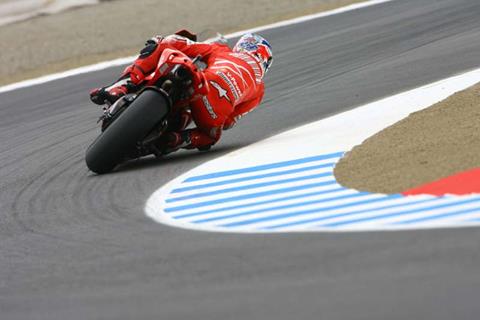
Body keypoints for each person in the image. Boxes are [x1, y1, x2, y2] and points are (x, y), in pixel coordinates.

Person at [90, 30, 273, 152]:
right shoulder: (259, 90)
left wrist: (158, 41)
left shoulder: (223, 51)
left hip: (202, 82)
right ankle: (179, 139)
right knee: (210, 137)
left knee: (162, 44)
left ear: (243, 46)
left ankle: (121, 86)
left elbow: (179, 44)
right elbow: (229, 123)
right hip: (211, 113)